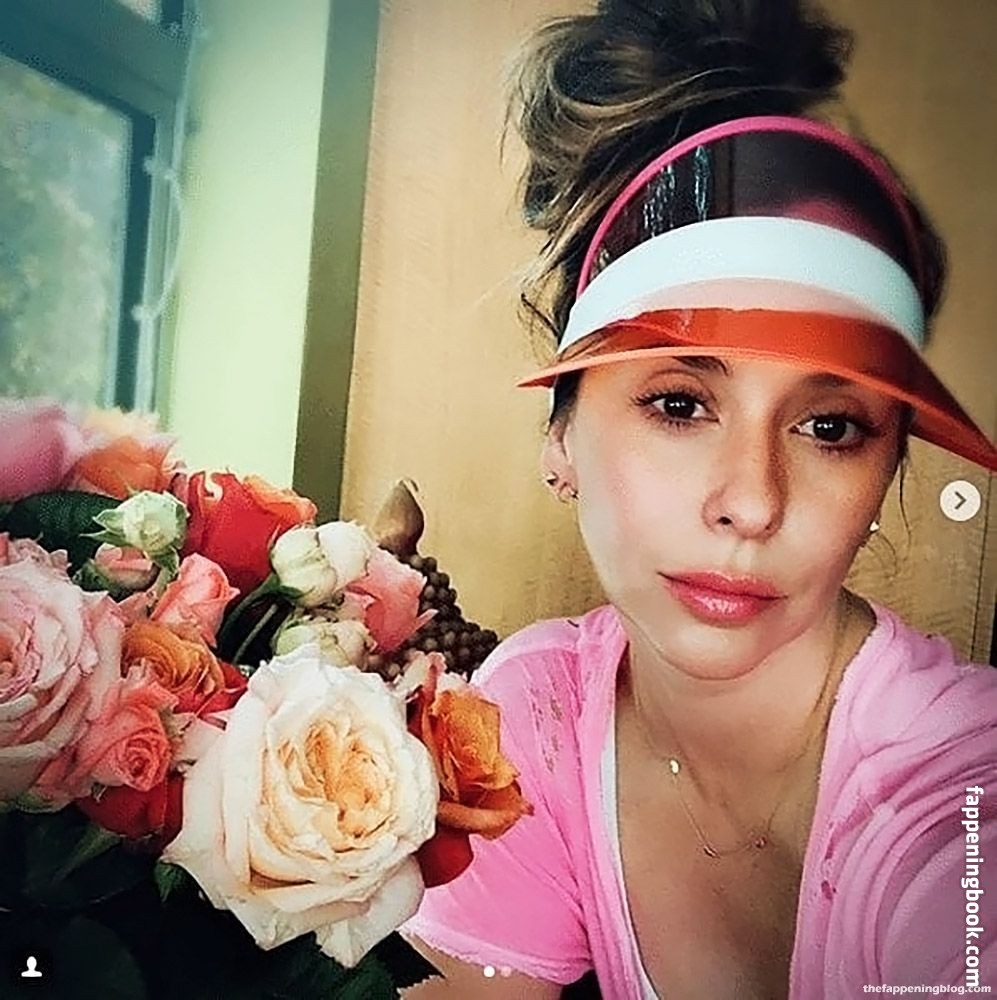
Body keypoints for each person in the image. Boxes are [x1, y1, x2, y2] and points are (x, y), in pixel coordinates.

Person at [398, 1, 997, 996]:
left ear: (888, 465)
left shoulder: (959, 798)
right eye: (679, 403)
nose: (751, 503)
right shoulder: (538, 713)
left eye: (829, 426)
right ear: (560, 435)